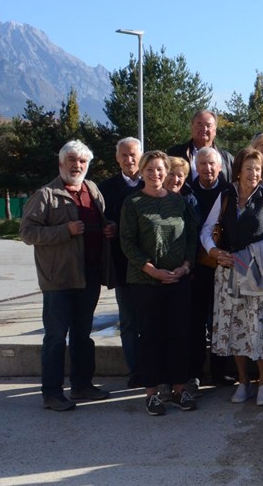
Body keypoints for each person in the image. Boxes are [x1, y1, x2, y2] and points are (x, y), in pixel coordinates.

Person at [20, 140, 113, 411]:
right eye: (72, 160)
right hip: (59, 279)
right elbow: (27, 232)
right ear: (61, 163)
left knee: (83, 335)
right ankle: (51, 393)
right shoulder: (46, 195)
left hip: (89, 276)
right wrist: (64, 230)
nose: (77, 165)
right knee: (56, 337)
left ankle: (82, 386)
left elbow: (100, 221)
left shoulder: (92, 189)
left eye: (82, 161)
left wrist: (109, 229)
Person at [119, 151, 199, 415]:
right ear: (142, 172)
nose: (155, 174)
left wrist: (185, 266)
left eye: (160, 170)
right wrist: (151, 270)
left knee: (179, 334)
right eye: (150, 170)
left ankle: (179, 388)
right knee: (150, 336)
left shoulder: (179, 202)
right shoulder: (133, 203)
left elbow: (190, 237)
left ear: (167, 172)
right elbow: (127, 242)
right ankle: (152, 393)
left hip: (179, 279)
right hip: (145, 282)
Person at [201, 148, 263, 407]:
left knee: (258, 328)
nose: (254, 173)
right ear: (238, 171)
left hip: (254, 272)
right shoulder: (225, 196)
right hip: (225, 273)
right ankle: (244, 382)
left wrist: (246, 256)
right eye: (249, 168)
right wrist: (213, 251)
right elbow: (207, 229)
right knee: (234, 327)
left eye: (257, 169)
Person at [98, 137, 143, 388]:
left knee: (151, 321)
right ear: (117, 159)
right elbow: (101, 221)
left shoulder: (152, 182)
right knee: (128, 320)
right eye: (124, 155)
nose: (129, 160)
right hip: (123, 265)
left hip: (151, 266)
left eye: (133, 155)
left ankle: (154, 367)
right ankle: (135, 370)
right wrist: (109, 228)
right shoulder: (106, 189)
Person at [188, 147, 230, 388]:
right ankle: (195, 371)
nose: (207, 168)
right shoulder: (187, 190)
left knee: (220, 320)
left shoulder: (228, 191)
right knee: (195, 321)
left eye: (212, 164)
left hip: (222, 263)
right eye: (202, 164)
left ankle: (219, 371)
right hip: (196, 266)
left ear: (220, 167)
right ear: (196, 166)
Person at [167, 109, 235, 182]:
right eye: (200, 125)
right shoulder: (175, 153)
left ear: (215, 131)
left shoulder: (227, 159)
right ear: (192, 128)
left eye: (209, 126)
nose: (204, 129)